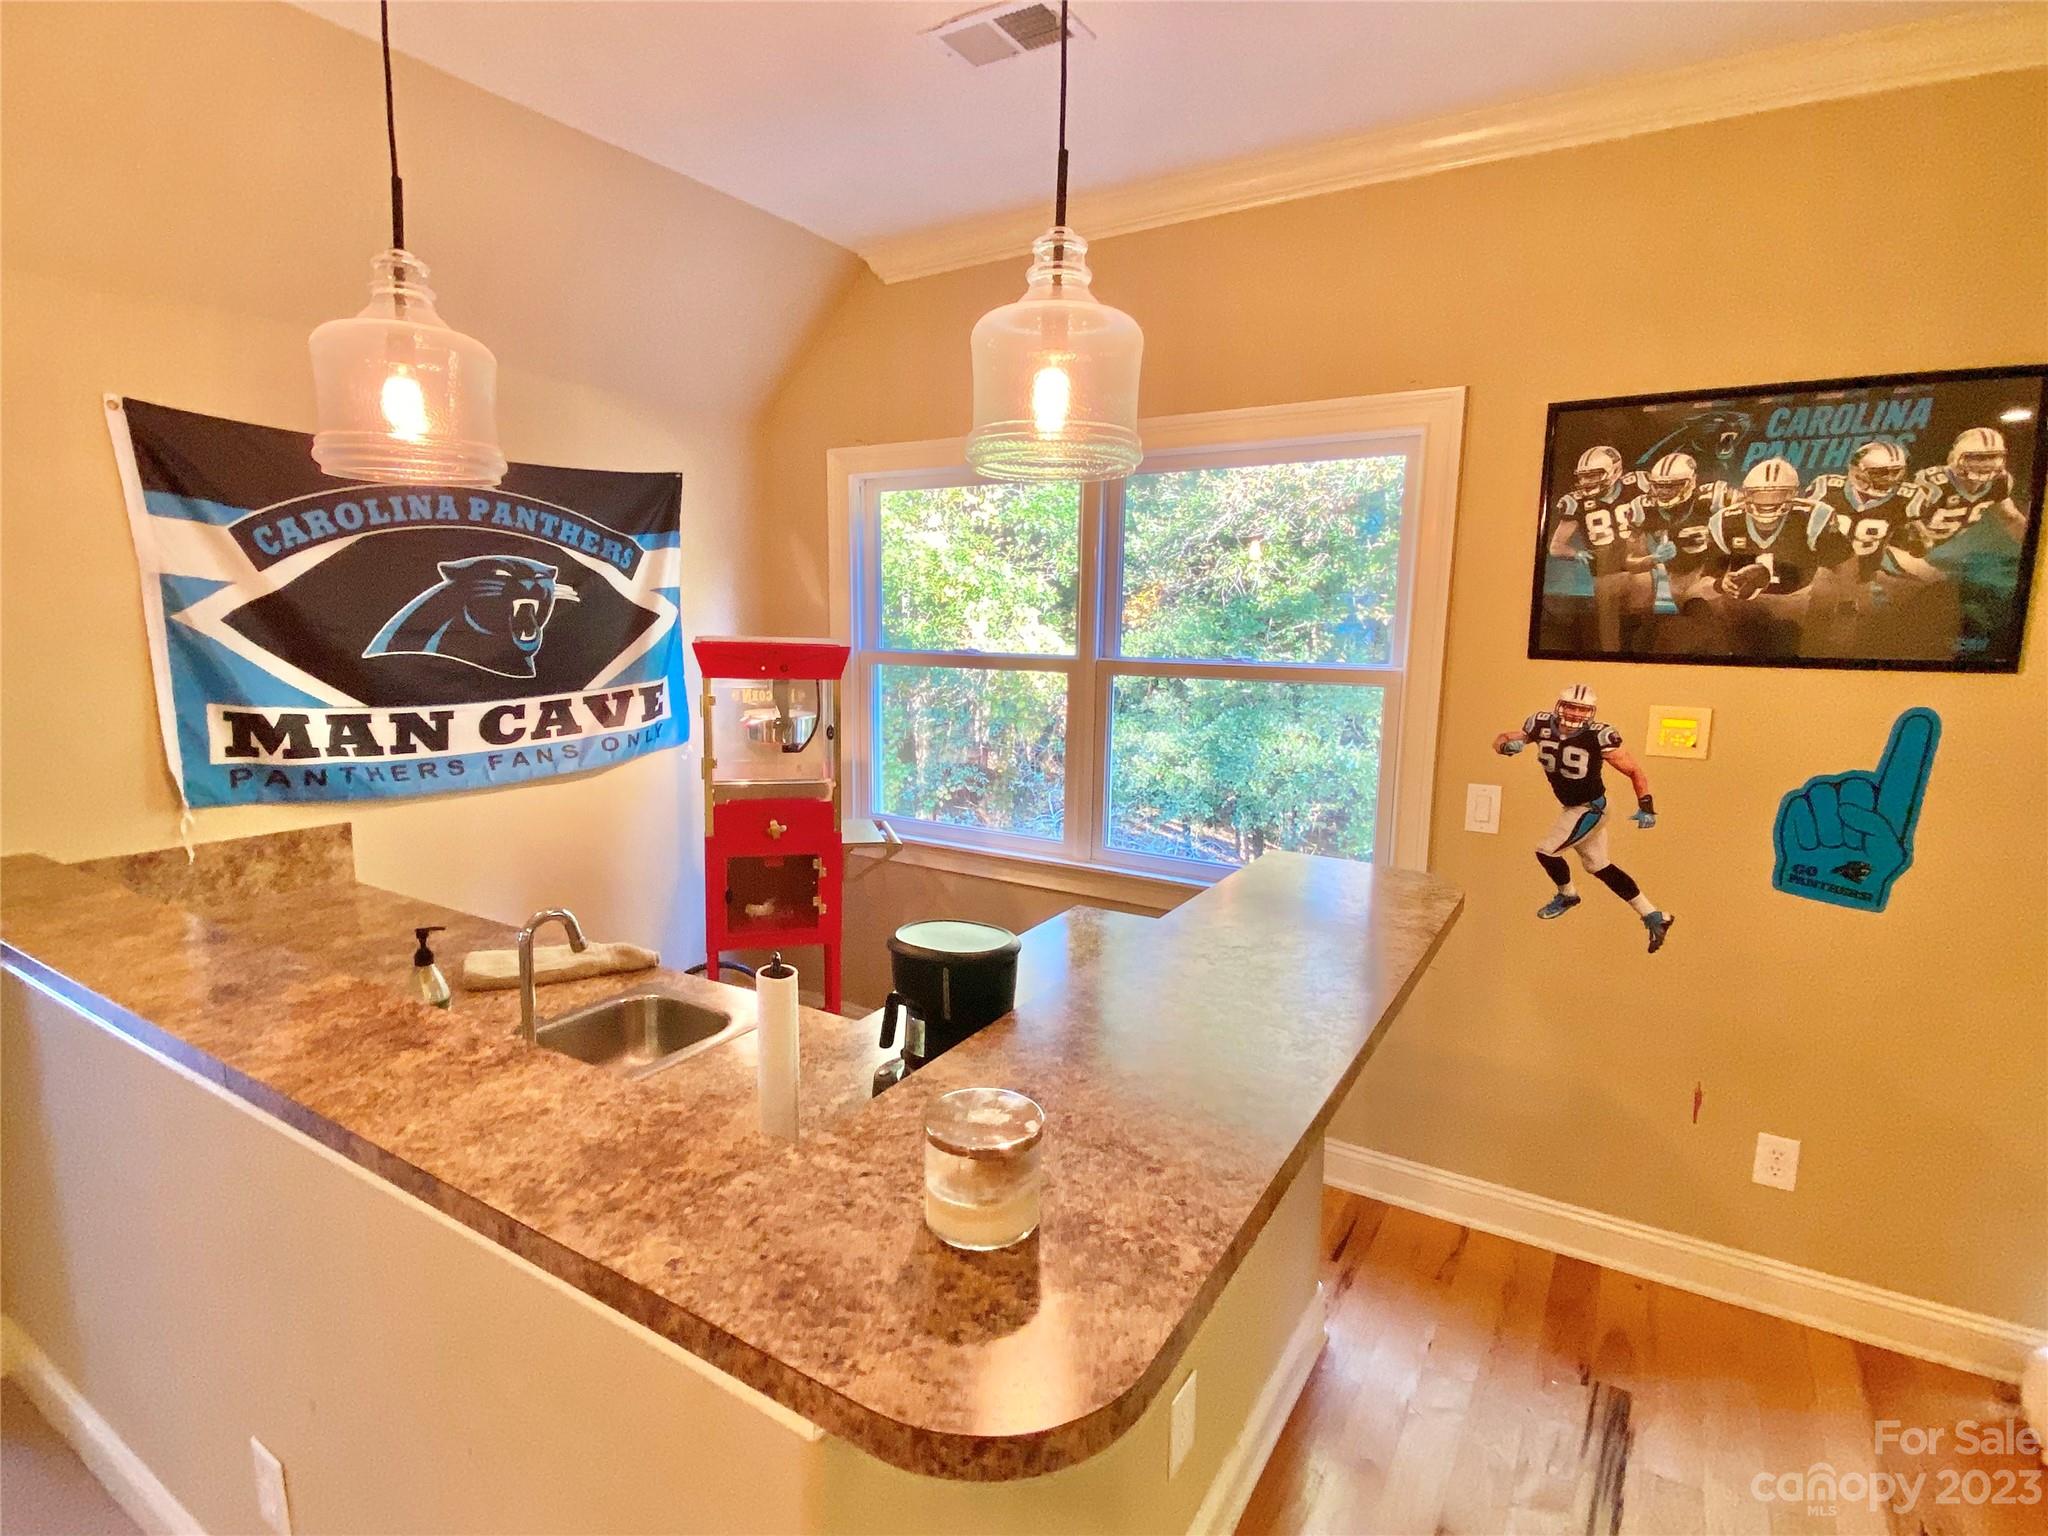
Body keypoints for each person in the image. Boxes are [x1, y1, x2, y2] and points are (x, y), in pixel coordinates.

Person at [1493, 683, 1675, 954]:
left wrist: (1646, 806)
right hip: (1573, 807)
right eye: (1571, 706)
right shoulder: (1540, 723)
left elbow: (1634, 770)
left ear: (1590, 711)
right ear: (1559, 705)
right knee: (1599, 866)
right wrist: (1506, 746)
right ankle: (1653, 914)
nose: (1576, 713)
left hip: (1590, 808)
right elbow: (1502, 738)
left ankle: (1568, 895)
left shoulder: (1599, 735)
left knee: (1547, 851)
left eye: (1582, 709)